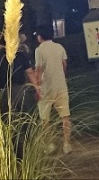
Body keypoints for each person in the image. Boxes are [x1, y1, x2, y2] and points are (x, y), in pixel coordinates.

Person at [32, 26, 73, 154]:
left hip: (46, 87)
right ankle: (67, 144)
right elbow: (64, 65)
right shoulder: (59, 47)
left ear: (40, 36)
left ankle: (50, 145)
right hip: (61, 85)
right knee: (65, 116)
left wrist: (37, 87)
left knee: (45, 118)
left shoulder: (39, 50)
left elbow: (38, 70)